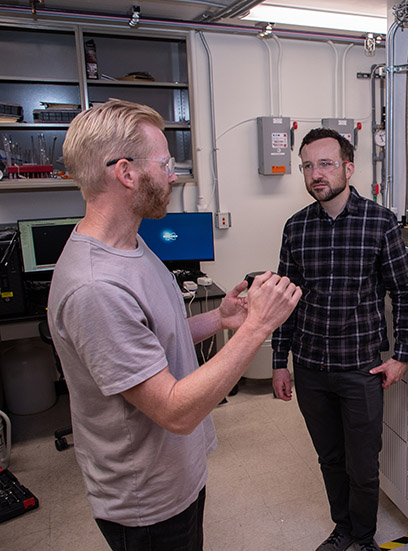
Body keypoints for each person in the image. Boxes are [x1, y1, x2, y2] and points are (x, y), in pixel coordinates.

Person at [48, 99, 302, 551]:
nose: (173, 175)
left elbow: (150, 344)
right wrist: (256, 328)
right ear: (126, 173)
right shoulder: (95, 287)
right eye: (165, 164)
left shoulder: (132, 247)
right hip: (147, 499)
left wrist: (219, 319)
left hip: (175, 473)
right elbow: (173, 410)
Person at [271, 128, 408, 551]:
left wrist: (401, 355)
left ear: (348, 168)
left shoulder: (380, 222)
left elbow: (402, 292)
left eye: (325, 163)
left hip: (360, 367)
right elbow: (286, 299)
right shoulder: (296, 227)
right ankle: (343, 530)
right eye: (307, 166)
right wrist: (280, 361)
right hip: (312, 366)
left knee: (363, 464)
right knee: (330, 458)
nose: (315, 174)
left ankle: (366, 537)